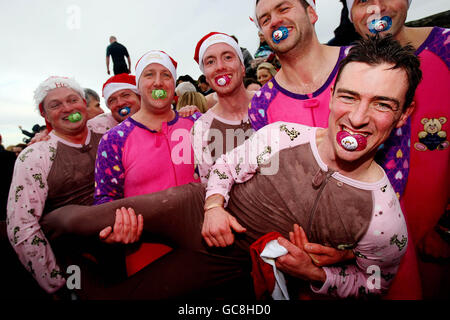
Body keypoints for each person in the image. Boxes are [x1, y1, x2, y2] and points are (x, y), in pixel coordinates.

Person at [41, 35, 420, 300]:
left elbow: (374, 283)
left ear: (405, 115)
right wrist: (212, 206)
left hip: (237, 258)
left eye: (383, 104)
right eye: (349, 96)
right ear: (332, 96)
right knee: (77, 223)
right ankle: (45, 235)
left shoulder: (384, 220)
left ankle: (71, 277)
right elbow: (224, 164)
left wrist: (318, 273)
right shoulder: (283, 133)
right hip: (195, 209)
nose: (357, 117)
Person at [346, 0, 450, 299]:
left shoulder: (445, 48)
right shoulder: (349, 69)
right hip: (379, 252)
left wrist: (443, 223)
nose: (376, 7)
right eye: (363, 0)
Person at [5, 76, 119, 295]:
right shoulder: (34, 156)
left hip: (125, 241)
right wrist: (55, 283)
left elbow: (141, 110)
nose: (67, 108)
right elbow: (22, 225)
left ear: (84, 104)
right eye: (55, 105)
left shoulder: (106, 127)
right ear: (44, 114)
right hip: (75, 258)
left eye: (73, 100)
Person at [94, 50, 200, 276]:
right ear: (139, 87)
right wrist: (115, 228)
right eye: (149, 75)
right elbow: (105, 200)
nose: (158, 82)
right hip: (148, 257)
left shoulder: (198, 123)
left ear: (173, 85)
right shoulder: (114, 139)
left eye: (166, 75)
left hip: (205, 247)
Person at [249, 0, 347, 130]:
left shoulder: (362, 61)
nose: (274, 21)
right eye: (265, 20)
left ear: (311, 13)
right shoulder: (261, 105)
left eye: (283, 9)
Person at [192, 32, 257, 184]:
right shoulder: (201, 128)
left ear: (242, 66)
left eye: (228, 57)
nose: (220, 67)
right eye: (210, 62)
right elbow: (211, 186)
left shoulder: (270, 101)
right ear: (206, 77)